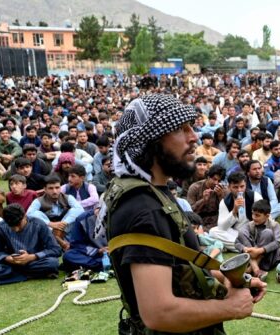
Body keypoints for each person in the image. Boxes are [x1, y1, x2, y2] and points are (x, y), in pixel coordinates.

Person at [105, 95, 265, 334]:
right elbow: (159, 313)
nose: (194, 137)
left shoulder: (155, 192)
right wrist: (231, 308)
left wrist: (227, 279)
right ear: (150, 141)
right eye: (180, 129)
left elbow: (185, 257)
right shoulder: (143, 209)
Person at [0, 204, 61, 285]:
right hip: (10, 263)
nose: (16, 229)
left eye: (18, 224)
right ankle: (31, 275)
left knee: (52, 263)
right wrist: (8, 258)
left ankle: (13, 275)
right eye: (11, 226)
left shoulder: (38, 224)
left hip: (33, 261)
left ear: (25, 216)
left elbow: (55, 249)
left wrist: (32, 257)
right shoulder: (1, 226)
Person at [27, 175, 85, 251]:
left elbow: (80, 210)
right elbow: (29, 214)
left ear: (60, 188)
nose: (55, 191)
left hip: (65, 229)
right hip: (48, 229)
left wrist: (63, 223)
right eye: (51, 188)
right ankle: (59, 241)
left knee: (76, 211)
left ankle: (58, 240)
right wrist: (50, 223)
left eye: (57, 188)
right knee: (36, 214)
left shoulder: (68, 197)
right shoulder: (38, 201)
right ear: (45, 189)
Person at [209, 172, 262, 252]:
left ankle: (239, 247)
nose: (239, 190)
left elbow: (265, 216)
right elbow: (222, 227)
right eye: (235, 187)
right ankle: (247, 248)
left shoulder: (255, 196)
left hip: (254, 232)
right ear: (229, 187)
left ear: (246, 185)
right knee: (213, 232)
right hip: (236, 234)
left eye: (242, 186)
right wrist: (234, 211)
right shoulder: (225, 202)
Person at [235, 200, 280, 281]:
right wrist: (245, 249)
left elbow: (277, 243)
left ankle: (252, 267)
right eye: (253, 214)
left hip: (268, 260)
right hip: (251, 255)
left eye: (257, 215)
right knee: (241, 232)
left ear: (267, 216)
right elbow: (236, 243)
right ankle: (255, 268)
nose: (254, 217)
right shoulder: (250, 225)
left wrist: (259, 251)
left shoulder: (274, 225)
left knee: (267, 233)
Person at [62, 206, 108, 272]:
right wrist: (98, 251)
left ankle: (95, 266)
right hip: (91, 254)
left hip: (112, 253)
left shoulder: (116, 216)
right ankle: (102, 264)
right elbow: (76, 244)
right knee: (68, 255)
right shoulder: (82, 218)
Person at [187, 165, 226, 230]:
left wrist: (220, 196)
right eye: (214, 179)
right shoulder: (195, 187)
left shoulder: (223, 189)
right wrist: (203, 200)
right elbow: (190, 211)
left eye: (219, 181)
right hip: (198, 222)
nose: (216, 183)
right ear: (208, 177)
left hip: (216, 223)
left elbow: (226, 212)